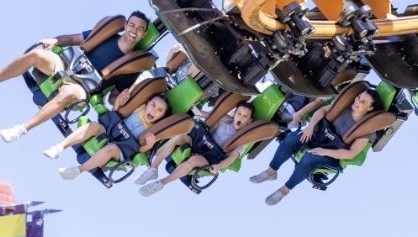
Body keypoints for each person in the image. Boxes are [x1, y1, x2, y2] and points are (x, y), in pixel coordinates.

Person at [0, 11, 151, 143]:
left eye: (140, 29)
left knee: (68, 92)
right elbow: (72, 38)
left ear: (143, 34)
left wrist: (121, 98)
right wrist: (54, 40)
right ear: (125, 25)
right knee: (37, 55)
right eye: (132, 25)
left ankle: (22, 128)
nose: (134, 30)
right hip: (68, 65)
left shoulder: (132, 65)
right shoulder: (106, 35)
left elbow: (113, 97)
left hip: (83, 86)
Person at [250, 88, 383, 205]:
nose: (357, 102)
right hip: (318, 135)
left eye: (363, 102)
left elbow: (351, 153)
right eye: (359, 97)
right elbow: (321, 111)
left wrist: (324, 151)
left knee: (309, 157)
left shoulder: (366, 129)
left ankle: (284, 191)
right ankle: (270, 172)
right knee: (292, 138)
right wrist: (311, 126)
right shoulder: (344, 106)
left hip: (333, 152)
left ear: (370, 108)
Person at [43, 90, 170, 180]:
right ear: (147, 103)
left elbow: (139, 150)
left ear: (162, 116)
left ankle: (77, 170)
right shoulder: (138, 107)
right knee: (94, 126)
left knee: (111, 149)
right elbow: (117, 114)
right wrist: (118, 103)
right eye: (153, 105)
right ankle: (58, 147)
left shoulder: (154, 129)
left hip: (122, 147)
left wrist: (149, 145)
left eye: (159, 110)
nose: (154, 110)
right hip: (111, 129)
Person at [136, 102, 255, 196]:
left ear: (249, 122)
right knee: (180, 136)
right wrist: (193, 110)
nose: (241, 117)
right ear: (234, 114)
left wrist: (219, 166)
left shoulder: (243, 139)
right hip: (201, 141)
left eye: (245, 116)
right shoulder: (225, 119)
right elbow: (207, 115)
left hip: (211, 156)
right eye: (239, 113)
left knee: (193, 161)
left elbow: (232, 157)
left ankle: (161, 183)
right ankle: (153, 169)